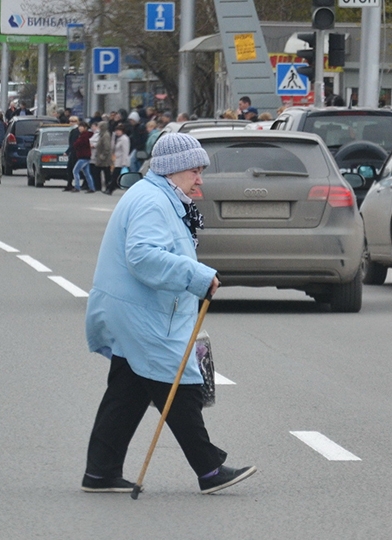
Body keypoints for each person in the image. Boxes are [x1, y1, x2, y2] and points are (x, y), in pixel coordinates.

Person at [82, 132, 256, 494]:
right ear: (174, 170)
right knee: (180, 386)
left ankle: (100, 472)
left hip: (138, 309)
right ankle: (209, 470)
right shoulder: (152, 202)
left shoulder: (159, 197)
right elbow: (142, 256)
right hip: (143, 313)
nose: (200, 178)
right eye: (195, 170)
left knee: (127, 391)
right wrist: (198, 276)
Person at [72, 121, 96, 193]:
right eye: (79, 126)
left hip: (83, 156)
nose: (80, 128)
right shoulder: (85, 135)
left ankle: (77, 187)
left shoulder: (84, 136)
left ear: (85, 128)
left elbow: (78, 144)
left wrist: (75, 144)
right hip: (86, 156)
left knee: (75, 171)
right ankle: (92, 188)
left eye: (81, 127)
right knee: (87, 173)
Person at [91, 121, 114, 192]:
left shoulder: (105, 135)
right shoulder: (102, 134)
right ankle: (99, 186)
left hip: (104, 158)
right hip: (100, 157)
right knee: (99, 171)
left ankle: (106, 186)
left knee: (105, 172)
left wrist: (103, 156)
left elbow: (107, 147)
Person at [108, 123, 130, 195]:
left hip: (121, 160)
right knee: (115, 175)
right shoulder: (117, 138)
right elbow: (112, 148)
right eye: (116, 130)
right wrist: (113, 138)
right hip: (116, 159)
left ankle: (110, 188)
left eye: (119, 130)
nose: (117, 132)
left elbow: (125, 151)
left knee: (115, 175)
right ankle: (111, 188)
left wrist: (124, 161)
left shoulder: (124, 139)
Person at [63, 115, 79, 191]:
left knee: (72, 169)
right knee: (71, 169)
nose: (71, 123)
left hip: (74, 153)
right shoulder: (73, 130)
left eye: (73, 121)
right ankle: (69, 184)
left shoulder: (75, 131)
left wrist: (67, 151)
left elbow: (73, 143)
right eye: (70, 121)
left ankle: (72, 184)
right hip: (73, 152)